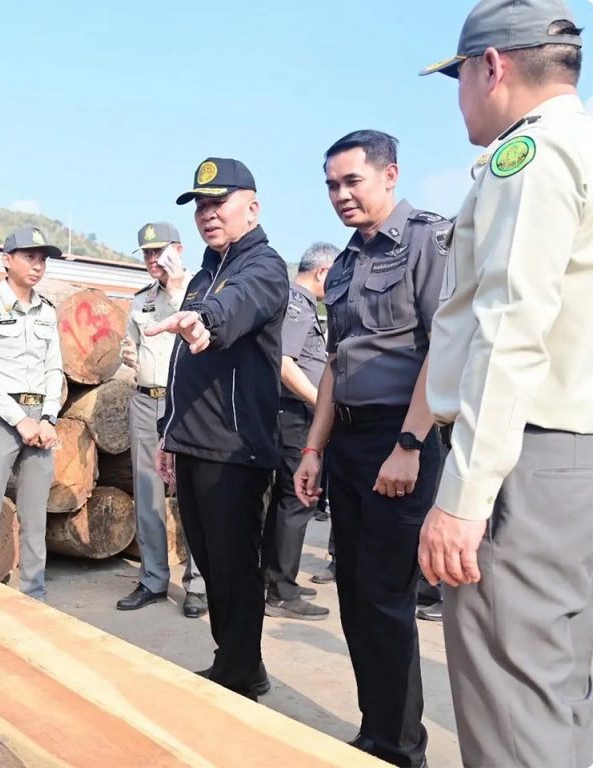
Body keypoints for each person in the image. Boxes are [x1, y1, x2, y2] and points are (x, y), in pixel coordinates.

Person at [418, 2, 593, 766]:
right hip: (571, 459)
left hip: (524, 461)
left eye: (458, 76)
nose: (459, 96)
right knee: (561, 696)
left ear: (491, 66)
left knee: (514, 713)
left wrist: (462, 499)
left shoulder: (531, 155)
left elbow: (509, 329)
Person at [294, 130, 450, 768]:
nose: (340, 195)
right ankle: (375, 731)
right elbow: (336, 361)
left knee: (387, 599)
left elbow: (444, 347)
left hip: (400, 437)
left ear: (390, 175)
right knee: (356, 597)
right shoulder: (346, 263)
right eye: (332, 185)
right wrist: (313, 449)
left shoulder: (428, 241)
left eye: (352, 181)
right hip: (350, 442)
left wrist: (410, 443)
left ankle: (402, 750)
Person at [145, 157, 289, 700]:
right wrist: (169, 432)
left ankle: (241, 672)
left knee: (234, 568)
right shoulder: (205, 272)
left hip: (234, 449)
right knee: (208, 562)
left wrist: (205, 319)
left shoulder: (264, 267)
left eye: (218, 202)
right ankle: (235, 661)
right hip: (193, 442)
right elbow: (180, 365)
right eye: (201, 205)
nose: (208, 213)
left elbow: (236, 305)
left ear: (252, 207)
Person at [0, 226, 64, 601]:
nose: (37, 266)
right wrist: (18, 419)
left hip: (40, 420)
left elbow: (54, 368)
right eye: (29, 257)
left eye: (43, 259)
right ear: (7, 260)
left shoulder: (47, 310)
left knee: (35, 518)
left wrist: (48, 418)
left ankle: (34, 597)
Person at [117, 222, 207, 618]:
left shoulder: (200, 289)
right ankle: (153, 578)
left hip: (184, 402)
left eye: (160, 251)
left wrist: (175, 286)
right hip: (146, 399)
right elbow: (133, 343)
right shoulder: (142, 299)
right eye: (147, 253)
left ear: (179, 250)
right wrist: (129, 355)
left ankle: (198, 584)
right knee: (148, 494)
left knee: (192, 494)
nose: (153, 259)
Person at [263, 242, 338, 621]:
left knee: (287, 500)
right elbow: (284, 363)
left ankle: (277, 578)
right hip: (295, 415)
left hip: (294, 414)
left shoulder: (301, 302)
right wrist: (321, 404)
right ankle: (281, 592)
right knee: (297, 500)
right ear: (323, 271)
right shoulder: (296, 303)